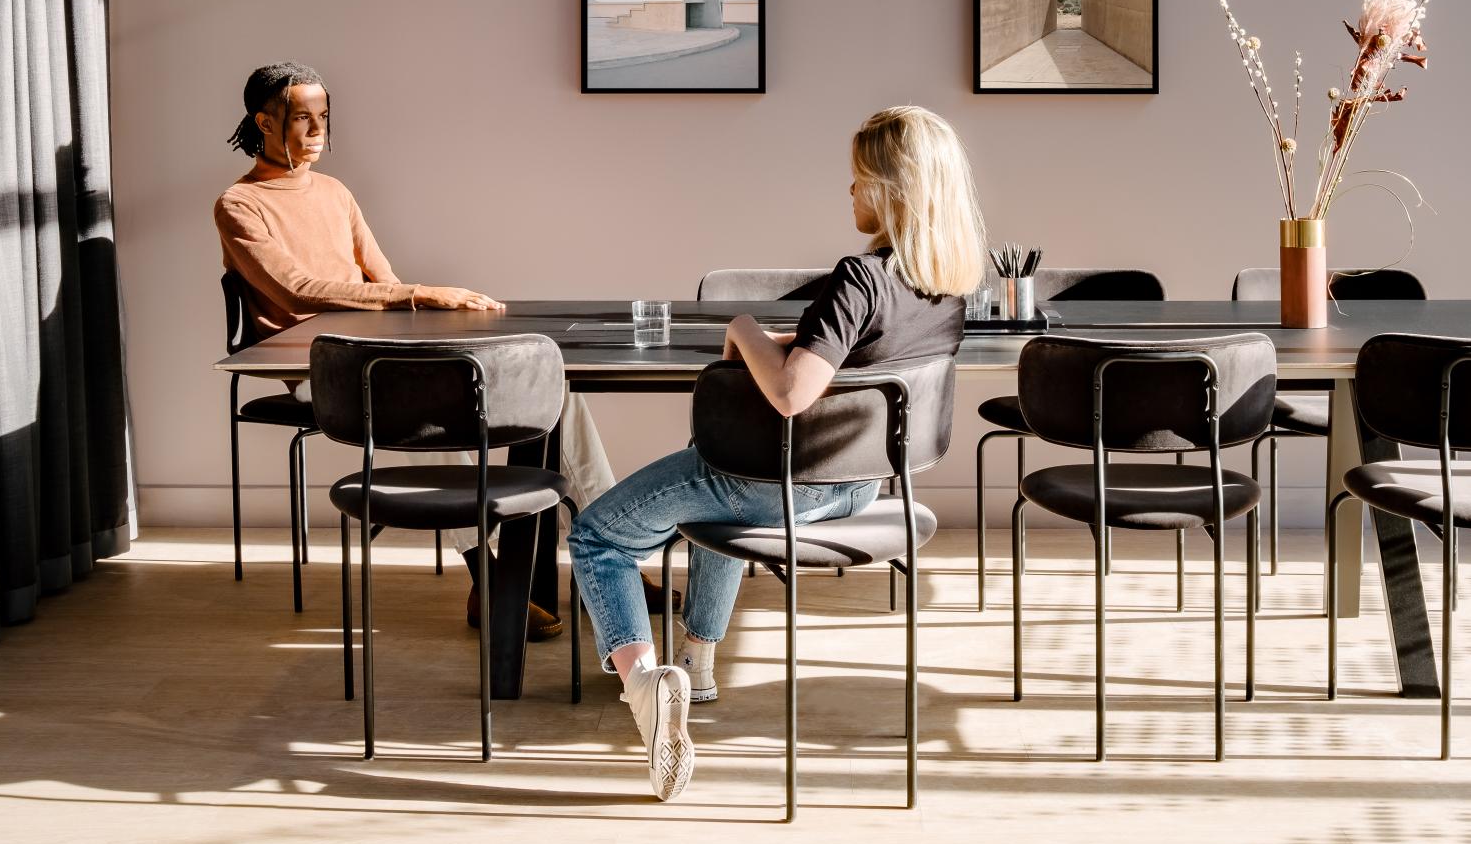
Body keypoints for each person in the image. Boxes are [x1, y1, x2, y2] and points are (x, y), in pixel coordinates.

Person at [568, 104, 987, 802]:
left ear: (889, 187)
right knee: (719, 469)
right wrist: (784, 342)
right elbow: (851, 363)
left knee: (597, 537)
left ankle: (645, 689)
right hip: (861, 483)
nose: (849, 193)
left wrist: (742, 327)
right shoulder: (945, 288)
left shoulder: (860, 276)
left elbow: (793, 392)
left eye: (857, 179)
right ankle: (696, 666)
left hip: (781, 484)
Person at [214, 60, 646, 638]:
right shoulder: (239, 206)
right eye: (301, 118)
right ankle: (486, 577)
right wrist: (415, 294)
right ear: (265, 123)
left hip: (381, 354)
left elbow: (382, 280)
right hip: (321, 365)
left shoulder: (336, 193)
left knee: (556, 391)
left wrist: (423, 309)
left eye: (323, 117)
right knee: (439, 402)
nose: (317, 131)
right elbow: (296, 289)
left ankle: (613, 560)